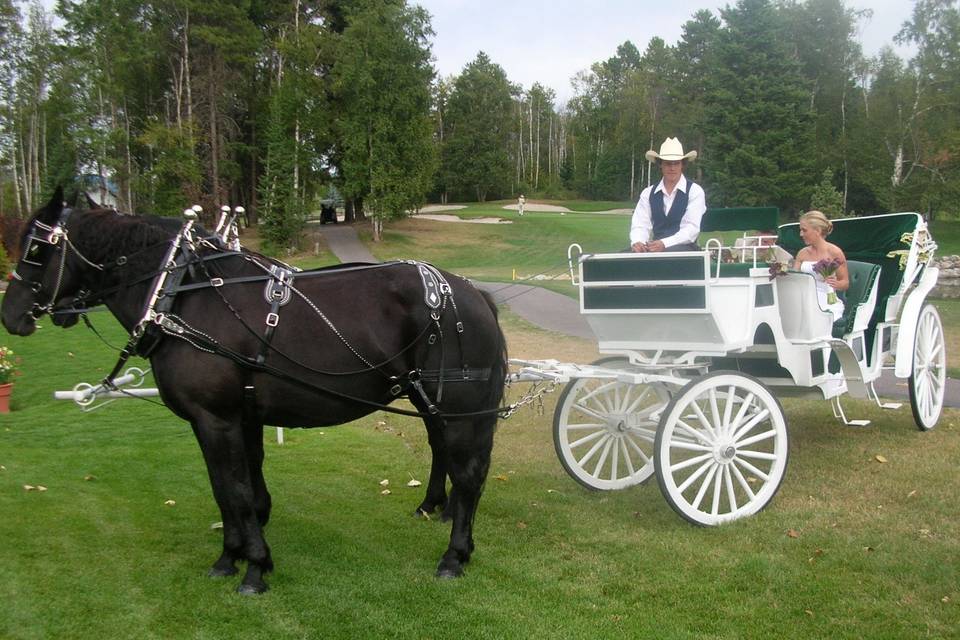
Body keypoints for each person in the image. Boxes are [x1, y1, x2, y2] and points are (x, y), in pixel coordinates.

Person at [630, 137, 706, 253]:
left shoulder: (695, 191)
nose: (672, 168)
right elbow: (640, 224)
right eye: (668, 163)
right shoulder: (648, 193)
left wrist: (664, 243)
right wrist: (638, 242)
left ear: (682, 165)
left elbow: (690, 230)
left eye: (676, 163)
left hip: (685, 250)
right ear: (660, 164)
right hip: (655, 249)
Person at [793, 210, 848, 320]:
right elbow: (794, 278)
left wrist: (835, 283)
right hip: (803, 299)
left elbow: (845, 283)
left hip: (826, 299)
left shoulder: (835, 252)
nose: (801, 234)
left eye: (804, 230)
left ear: (817, 230)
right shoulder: (802, 253)